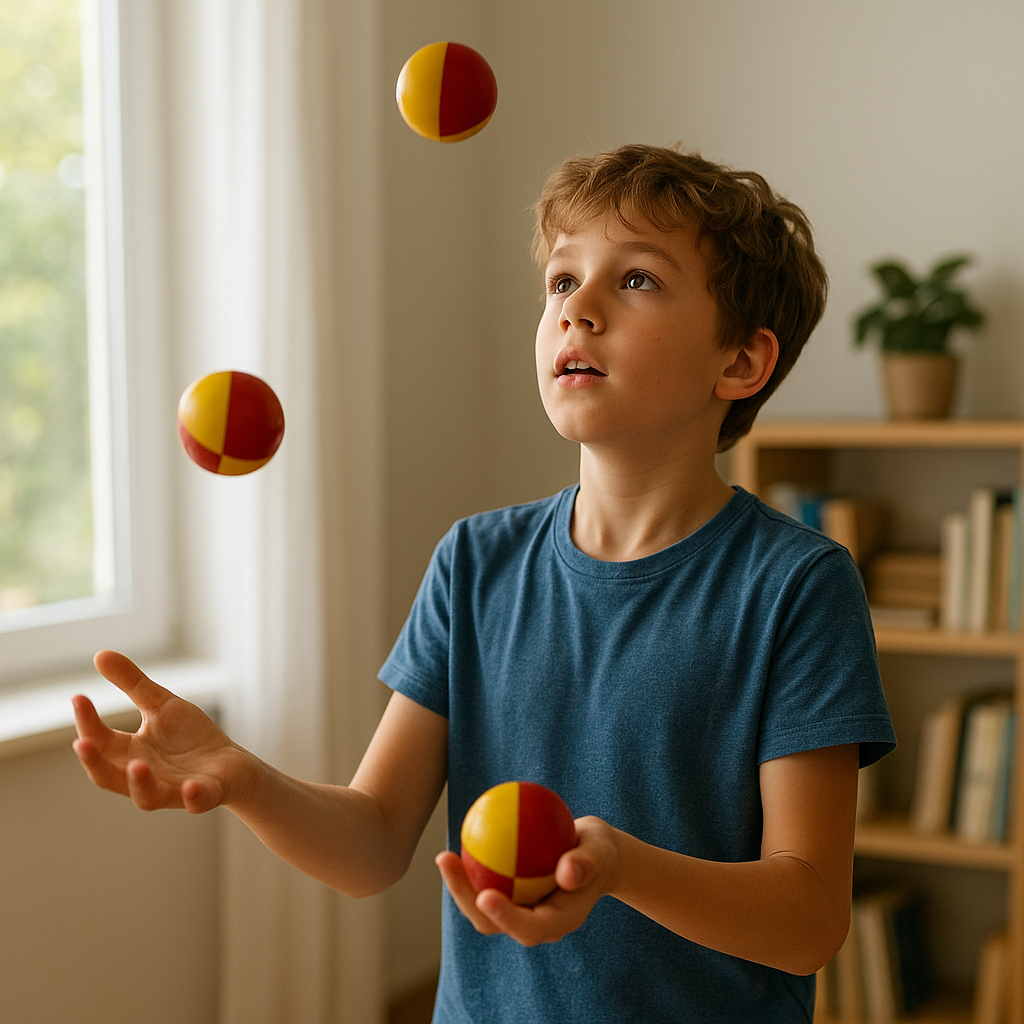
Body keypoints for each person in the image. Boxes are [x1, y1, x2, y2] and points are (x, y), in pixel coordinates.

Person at [73, 144, 896, 1023]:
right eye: (560, 281)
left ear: (739, 362)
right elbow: (374, 844)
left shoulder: (799, 586)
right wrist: (246, 779)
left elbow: (808, 920)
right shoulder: (474, 563)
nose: (577, 308)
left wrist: (621, 867)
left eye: (639, 281)